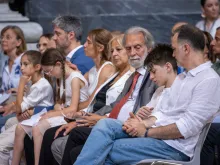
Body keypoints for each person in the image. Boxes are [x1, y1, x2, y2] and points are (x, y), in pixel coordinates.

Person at [73, 24, 220, 165]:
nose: (173, 54)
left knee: (109, 148)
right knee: (106, 124)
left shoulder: (208, 80)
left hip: (175, 147)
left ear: (186, 48)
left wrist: (147, 131)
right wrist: (142, 123)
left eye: (175, 49)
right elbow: (163, 113)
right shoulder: (183, 77)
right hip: (158, 136)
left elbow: (186, 128)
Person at [59, 43, 177, 165]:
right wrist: (140, 116)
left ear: (168, 67)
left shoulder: (179, 88)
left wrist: (143, 123)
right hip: (141, 127)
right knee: (105, 125)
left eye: (153, 72)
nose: (151, 77)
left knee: (105, 148)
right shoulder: (159, 90)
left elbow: (171, 121)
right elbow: (149, 113)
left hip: (162, 140)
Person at [39, 34, 135, 165]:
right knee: (52, 134)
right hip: (94, 116)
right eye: (112, 50)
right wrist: (82, 115)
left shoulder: (124, 74)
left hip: (107, 122)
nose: (114, 54)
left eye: (119, 49)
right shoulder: (115, 74)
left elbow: (117, 106)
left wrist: (83, 117)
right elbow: (96, 100)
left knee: (69, 136)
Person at [23, 28, 115, 165]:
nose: (84, 45)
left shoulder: (106, 68)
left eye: (88, 42)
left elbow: (92, 100)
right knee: (32, 133)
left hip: (93, 114)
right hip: (81, 113)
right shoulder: (92, 70)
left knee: (49, 134)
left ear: (100, 48)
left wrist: (67, 110)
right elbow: (78, 84)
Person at [12, 48, 89, 165]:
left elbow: (73, 108)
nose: (49, 75)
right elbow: (59, 101)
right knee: (24, 127)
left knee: (38, 128)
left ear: (58, 64)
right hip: (65, 113)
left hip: (76, 116)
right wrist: (57, 106)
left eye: (49, 71)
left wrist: (52, 113)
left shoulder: (74, 78)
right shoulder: (61, 77)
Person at [0, 50, 54, 165]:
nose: (22, 68)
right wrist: (20, 110)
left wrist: (21, 85)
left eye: (25, 64)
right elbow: (19, 110)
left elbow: (19, 109)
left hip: (38, 120)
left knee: (1, 146)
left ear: (37, 67)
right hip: (29, 118)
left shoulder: (41, 86)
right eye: (21, 64)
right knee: (10, 121)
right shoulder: (32, 83)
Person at [0, 25, 27, 130]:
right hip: (4, 103)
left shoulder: (25, 60)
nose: (3, 40)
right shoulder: (4, 62)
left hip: (20, 105)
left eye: (8, 37)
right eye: (2, 37)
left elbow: (31, 88)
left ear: (19, 42)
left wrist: (13, 103)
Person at [201, 27, 220, 165]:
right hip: (214, 114)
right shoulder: (216, 66)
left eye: (217, 39)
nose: (212, 43)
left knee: (207, 131)